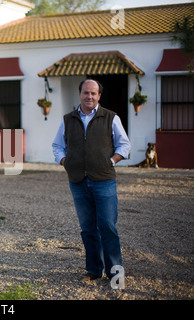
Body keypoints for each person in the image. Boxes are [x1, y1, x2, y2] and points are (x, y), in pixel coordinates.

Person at [52, 79, 131, 281]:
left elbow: (124, 145)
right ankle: (94, 270)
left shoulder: (111, 118)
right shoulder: (68, 119)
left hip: (103, 180)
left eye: (94, 93)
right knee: (88, 229)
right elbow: (57, 145)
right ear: (80, 94)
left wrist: (111, 162)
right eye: (86, 93)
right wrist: (64, 161)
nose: (90, 97)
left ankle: (116, 277)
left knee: (108, 228)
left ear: (99, 96)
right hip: (77, 181)